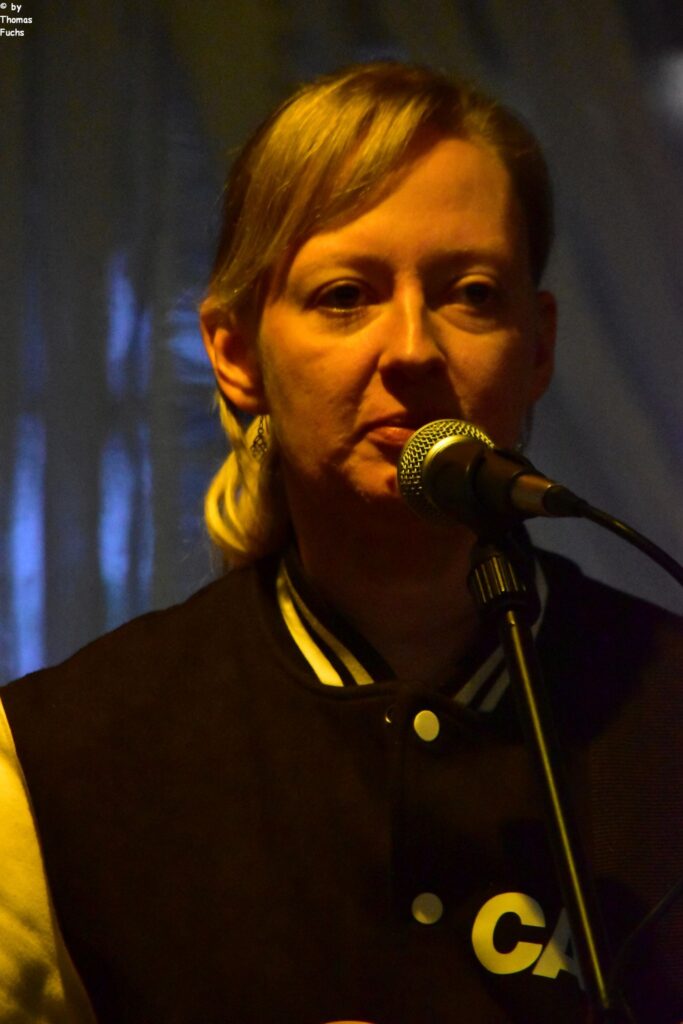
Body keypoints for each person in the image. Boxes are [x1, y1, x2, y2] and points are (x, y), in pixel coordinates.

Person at [2, 62, 681, 1024]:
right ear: (235, 352)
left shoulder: (662, 703)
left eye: (471, 292)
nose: (411, 349)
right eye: (345, 295)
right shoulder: (55, 759)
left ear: (537, 346)